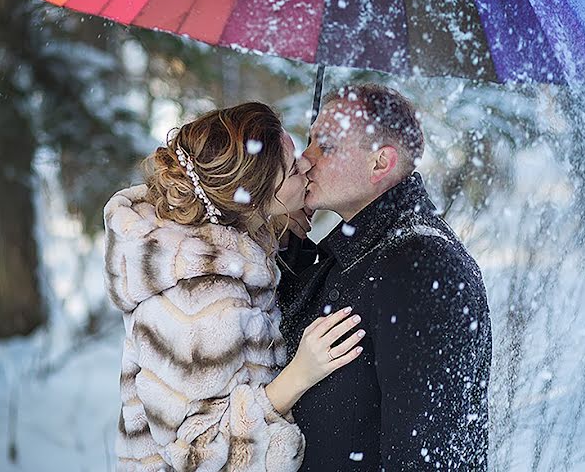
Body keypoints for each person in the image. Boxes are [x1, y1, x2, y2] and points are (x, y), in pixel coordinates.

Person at [103, 102, 366, 472]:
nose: (306, 164)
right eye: (292, 170)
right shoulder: (199, 297)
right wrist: (298, 375)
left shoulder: (224, 240)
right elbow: (199, 455)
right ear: (254, 198)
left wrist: (274, 225)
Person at [278, 84, 492, 471]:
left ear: (380, 163)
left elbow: (430, 457)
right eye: (309, 141)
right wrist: (283, 231)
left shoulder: (423, 268)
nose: (305, 160)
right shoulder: (355, 255)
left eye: (324, 146)